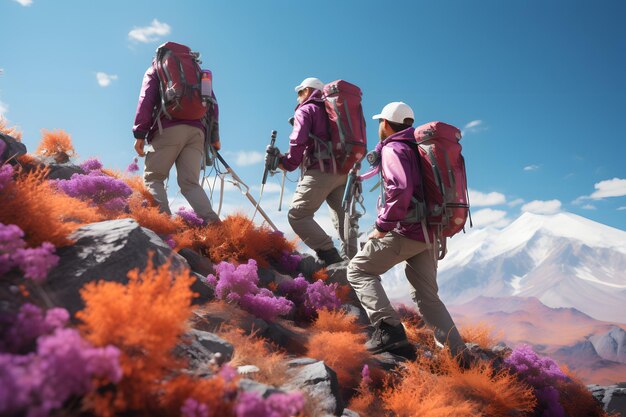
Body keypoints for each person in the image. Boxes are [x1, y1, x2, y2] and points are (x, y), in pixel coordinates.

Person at [346, 102, 468, 363]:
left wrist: (382, 226)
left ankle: (388, 330)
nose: (379, 126)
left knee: (358, 270)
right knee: (426, 296)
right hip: (431, 233)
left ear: (387, 124)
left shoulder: (394, 148)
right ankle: (458, 356)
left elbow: (400, 189)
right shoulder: (418, 149)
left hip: (407, 230)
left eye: (381, 122)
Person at [268, 77, 356, 266]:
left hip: (321, 170)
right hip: (343, 173)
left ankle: (329, 254)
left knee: (297, 215)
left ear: (308, 91)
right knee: (344, 221)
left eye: (300, 92)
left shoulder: (307, 109)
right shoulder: (333, 111)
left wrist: (287, 162)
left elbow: (298, 141)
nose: (299, 97)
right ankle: (355, 266)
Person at [132, 48, 220, 224]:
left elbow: (146, 100)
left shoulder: (156, 69)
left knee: (153, 178)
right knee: (190, 184)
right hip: (197, 132)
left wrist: (140, 133)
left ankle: (164, 226)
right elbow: (212, 104)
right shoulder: (199, 73)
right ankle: (215, 226)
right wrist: (214, 138)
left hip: (169, 127)